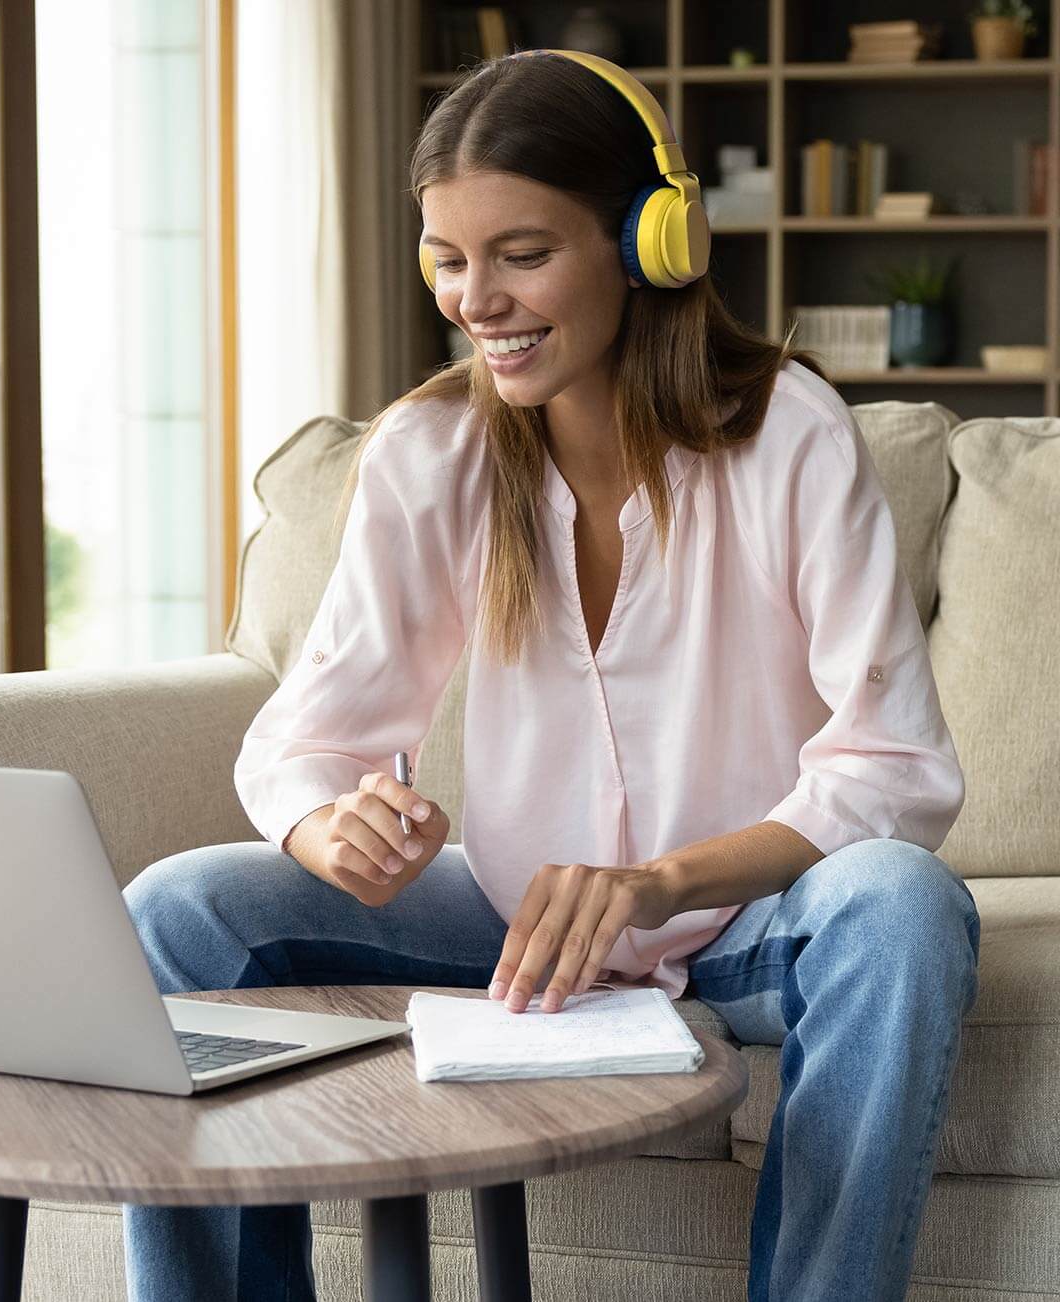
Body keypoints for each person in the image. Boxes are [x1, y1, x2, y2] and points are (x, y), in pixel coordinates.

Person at [120, 49, 979, 1302]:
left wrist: (657, 883)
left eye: (522, 254)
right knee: (179, 909)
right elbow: (304, 738)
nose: (477, 298)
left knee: (902, 904)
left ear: (649, 242)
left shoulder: (790, 433)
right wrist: (329, 824)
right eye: (448, 260)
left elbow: (894, 768)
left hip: (748, 925)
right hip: (517, 926)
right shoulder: (432, 453)